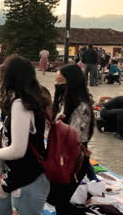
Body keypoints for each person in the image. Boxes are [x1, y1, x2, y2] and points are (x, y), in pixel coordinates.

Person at [0, 55, 50, 214]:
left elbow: (18, 150)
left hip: (26, 180)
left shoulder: (20, 104)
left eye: (3, 72)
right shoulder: (22, 100)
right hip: (12, 177)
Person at [50, 64, 96, 214]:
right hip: (62, 158)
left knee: (61, 201)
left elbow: (75, 138)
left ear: (72, 82)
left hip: (73, 161)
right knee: (59, 201)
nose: (57, 85)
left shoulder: (81, 107)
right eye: (56, 81)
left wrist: (58, 126)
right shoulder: (64, 102)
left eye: (61, 80)